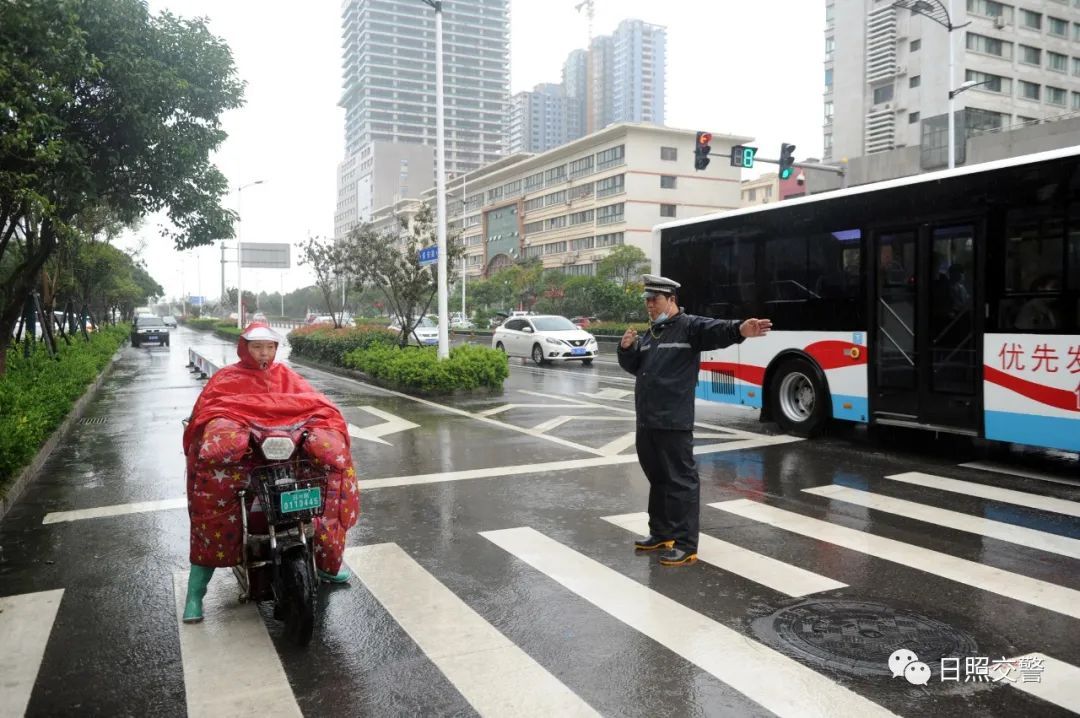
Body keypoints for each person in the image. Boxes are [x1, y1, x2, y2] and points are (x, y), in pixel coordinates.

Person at [179, 322, 360, 623]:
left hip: (288, 459)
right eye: (257, 346)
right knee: (210, 506)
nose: (264, 353)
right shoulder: (227, 378)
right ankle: (195, 592)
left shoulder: (286, 375)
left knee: (329, 486)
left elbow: (317, 405)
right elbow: (210, 410)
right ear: (244, 348)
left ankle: (328, 562)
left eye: (269, 347)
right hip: (245, 462)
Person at [617, 275, 772, 566]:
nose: (650, 305)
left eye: (656, 300)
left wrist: (740, 329)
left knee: (681, 482)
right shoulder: (653, 333)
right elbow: (637, 367)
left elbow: (718, 330)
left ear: (671, 300)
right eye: (647, 301)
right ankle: (661, 533)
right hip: (647, 421)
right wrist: (626, 350)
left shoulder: (689, 327)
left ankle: (686, 544)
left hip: (673, 421)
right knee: (658, 479)